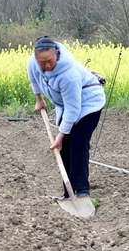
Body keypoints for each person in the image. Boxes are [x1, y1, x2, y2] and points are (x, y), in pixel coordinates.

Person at [27, 36, 106, 199]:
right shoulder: (33, 63)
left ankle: (82, 191)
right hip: (68, 104)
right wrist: (39, 99)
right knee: (65, 147)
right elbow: (33, 76)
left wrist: (60, 136)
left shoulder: (68, 74)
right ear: (36, 58)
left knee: (77, 141)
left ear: (57, 53)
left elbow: (73, 109)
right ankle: (68, 195)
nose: (47, 66)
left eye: (50, 61)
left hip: (89, 102)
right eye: (42, 63)